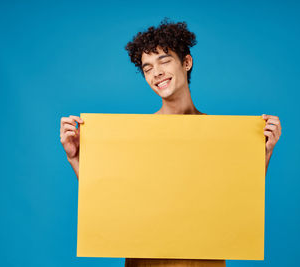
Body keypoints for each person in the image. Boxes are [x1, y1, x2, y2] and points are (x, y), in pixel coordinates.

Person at [60, 18, 282, 267]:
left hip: (204, 261)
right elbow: (109, 198)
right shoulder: (134, 137)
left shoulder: (223, 134)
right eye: (147, 68)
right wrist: (76, 158)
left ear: (186, 62)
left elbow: (237, 198)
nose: (156, 73)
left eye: (164, 61)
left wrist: (262, 154)